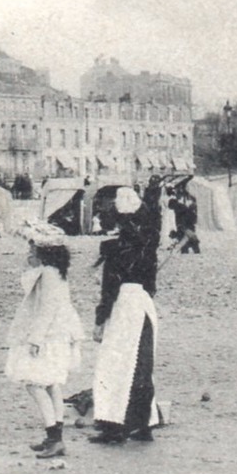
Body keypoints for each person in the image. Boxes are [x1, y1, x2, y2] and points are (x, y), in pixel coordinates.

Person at [90, 187, 166, 442]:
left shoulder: (116, 248)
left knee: (115, 365)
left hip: (124, 304)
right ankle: (142, 423)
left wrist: (100, 319)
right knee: (141, 364)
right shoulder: (148, 241)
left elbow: (109, 287)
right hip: (144, 302)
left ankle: (114, 424)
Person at [6, 223, 86, 459]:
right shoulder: (55, 271)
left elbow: (46, 309)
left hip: (49, 335)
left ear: (43, 251)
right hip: (59, 333)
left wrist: (35, 338)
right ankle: (55, 435)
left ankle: (54, 436)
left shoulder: (48, 274)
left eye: (32, 248)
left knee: (34, 383)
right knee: (51, 384)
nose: (29, 252)